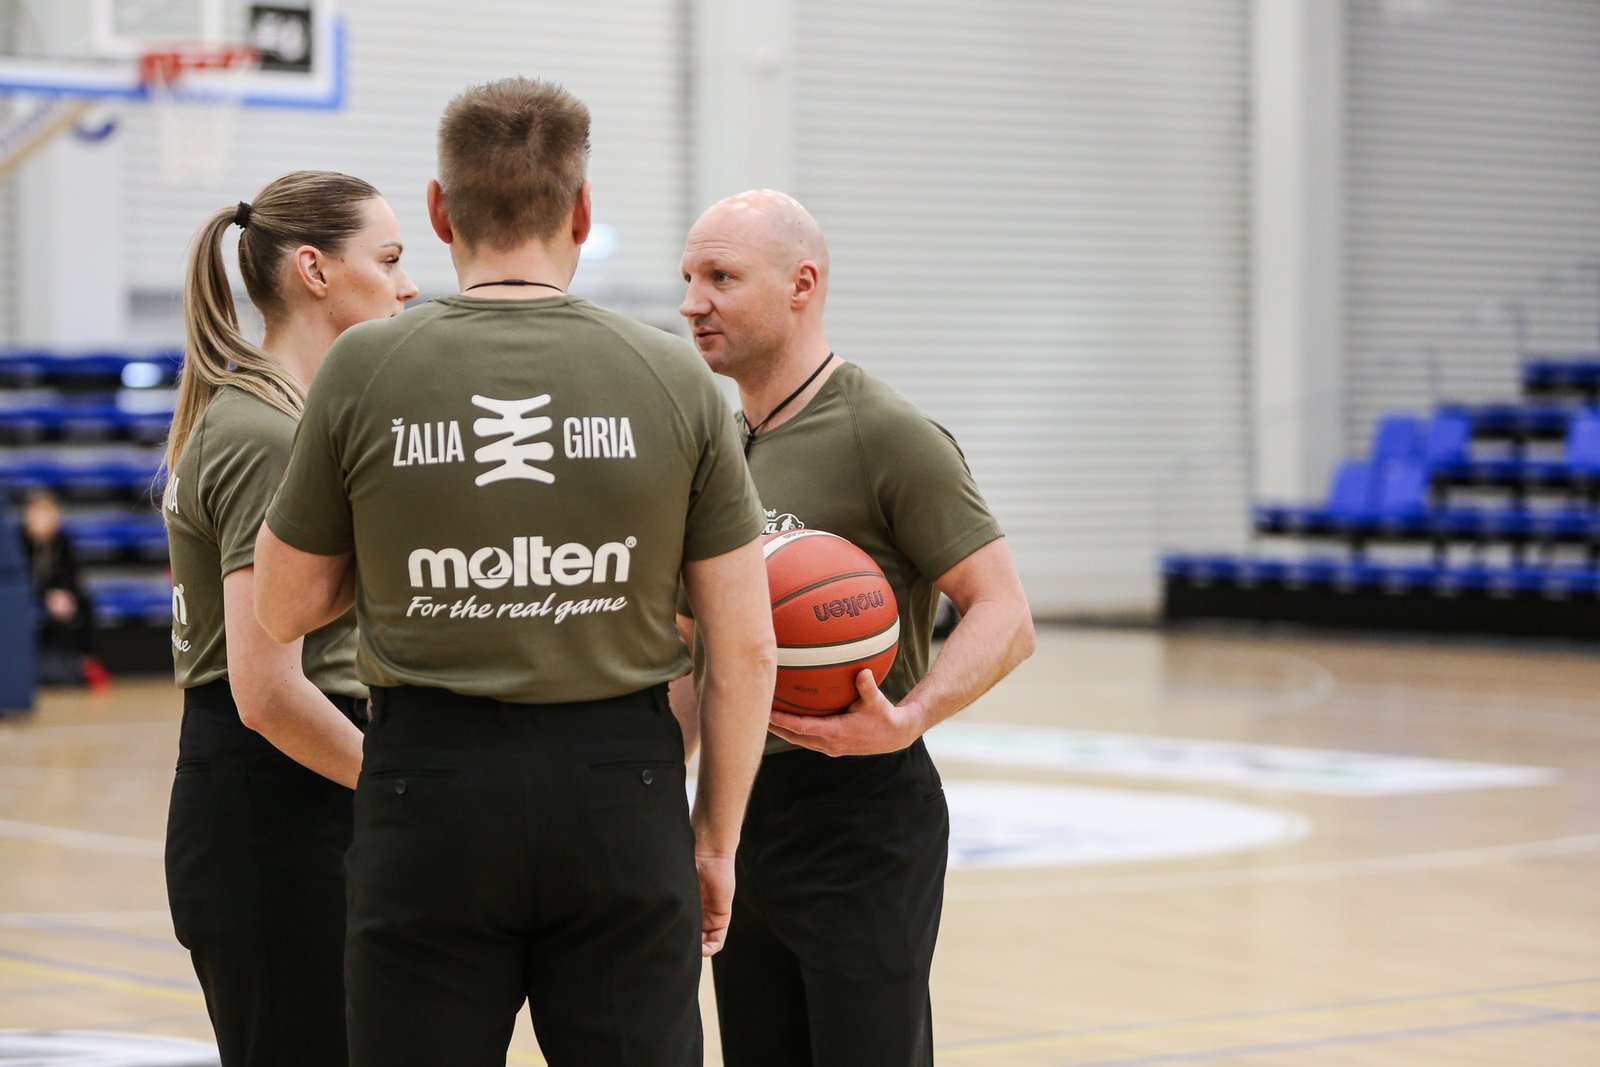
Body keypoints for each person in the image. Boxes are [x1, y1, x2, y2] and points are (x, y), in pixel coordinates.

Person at [252, 77, 776, 1067]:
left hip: (429, 791)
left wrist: (408, 551)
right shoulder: (675, 375)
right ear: (581, 209)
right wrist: (714, 840)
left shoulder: (362, 367)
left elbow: (282, 606)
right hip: (622, 793)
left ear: (440, 209)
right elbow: (744, 647)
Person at [675, 189, 1036, 1067]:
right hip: (744, 808)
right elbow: (696, 653)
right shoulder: (715, 444)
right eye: (688, 278)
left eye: (721, 277)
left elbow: (1005, 613)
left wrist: (908, 717)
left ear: (802, 285)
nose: (692, 302)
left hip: (862, 814)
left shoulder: (887, 433)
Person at [161, 170, 416, 1067]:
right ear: (315, 270)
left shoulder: (282, 419)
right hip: (275, 804)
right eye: (389, 259)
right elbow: (267, 691)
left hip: (292, 793)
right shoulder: (266, 435)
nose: (407, 284)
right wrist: (407, 793)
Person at [17, 488, 107, 688]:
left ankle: (84, 659)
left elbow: (71, 576)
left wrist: (62, 593)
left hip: (56, 600)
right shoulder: (19, 541)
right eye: (36, 514)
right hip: (27, 598)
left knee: (84, 604)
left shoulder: (62, 541)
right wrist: (45, 596)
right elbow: (19, 578)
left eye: (46, 514)